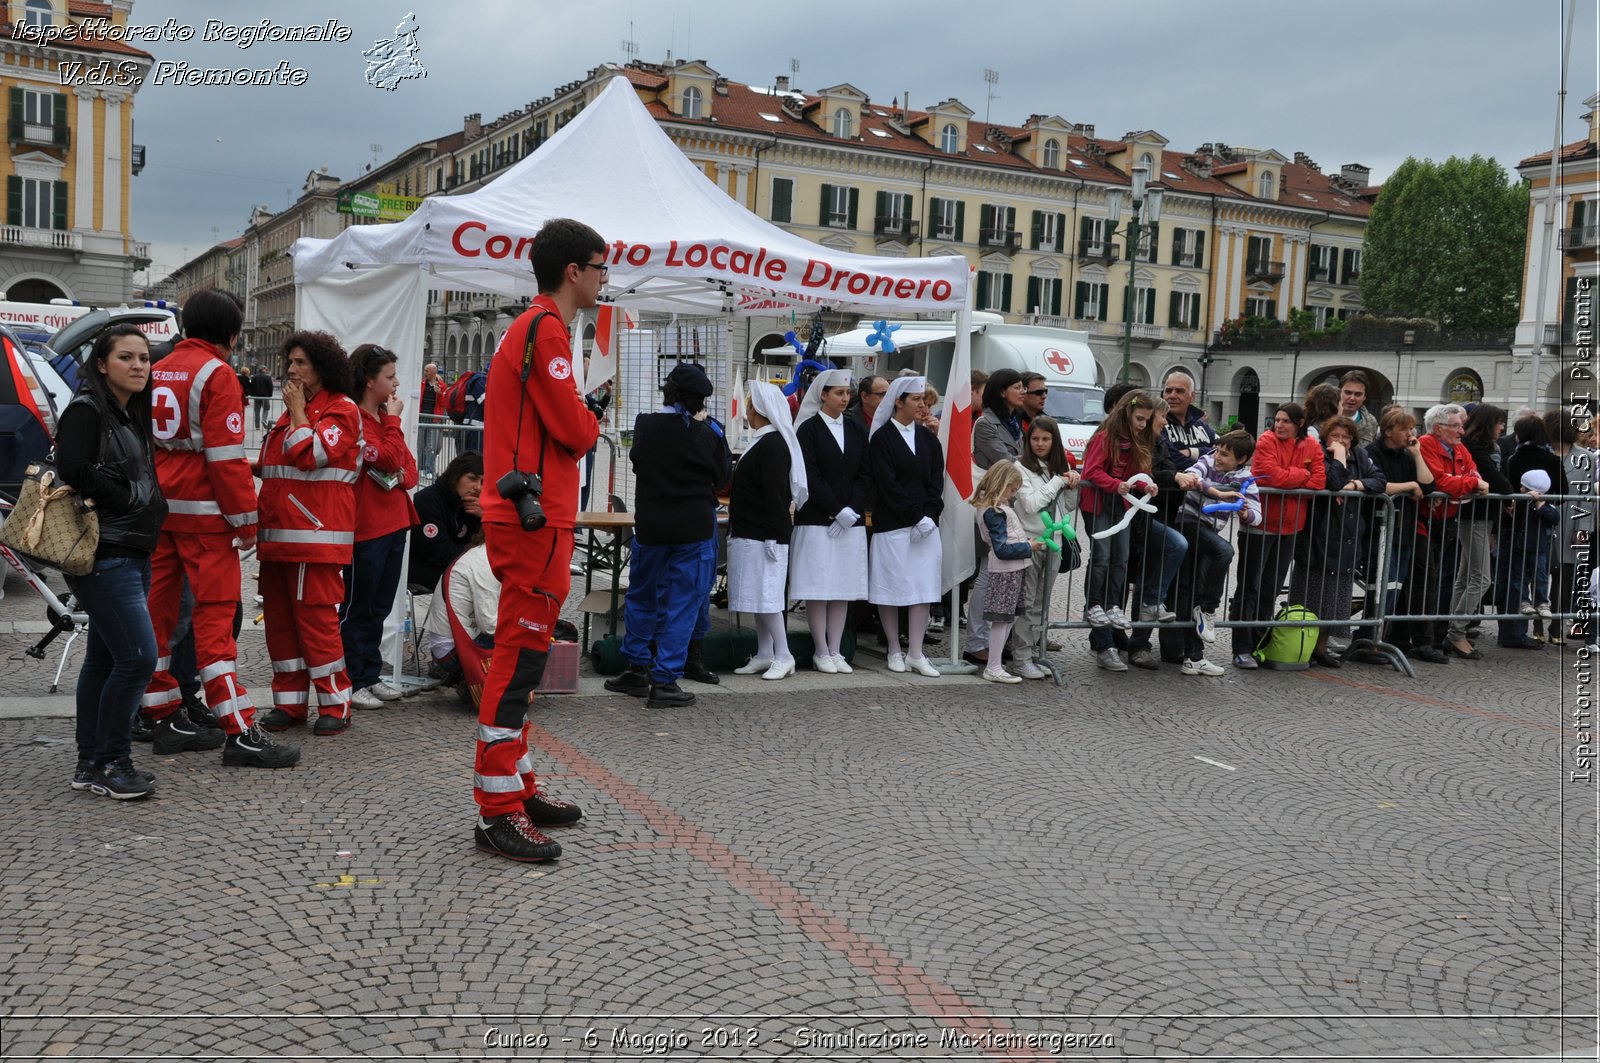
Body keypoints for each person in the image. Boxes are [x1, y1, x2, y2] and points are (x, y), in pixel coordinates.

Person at [470, 218, 603, 862]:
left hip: (528, 512)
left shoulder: (532, 328)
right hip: (534, 516)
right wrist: (591, 419)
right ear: (573, 271)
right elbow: (574, 430)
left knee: (524, 651)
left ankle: (516, 788)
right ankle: (497, 808)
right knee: (520, 656)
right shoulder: (545, 329)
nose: (606, 279)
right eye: (601, 266)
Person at [142, 290, 295, 768]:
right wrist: (247, 520)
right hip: (205, 516)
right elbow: (224, 457)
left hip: (160, 507)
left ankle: (162, 713)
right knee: (215, 619)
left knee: (157, 615)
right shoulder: (218, 373)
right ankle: (239, 729)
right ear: (232, 334)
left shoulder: (160, 364)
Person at [56, 325, 167, 798]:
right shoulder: (87, 409)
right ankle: (113, 761)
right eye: (126, 357)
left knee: (104, 659)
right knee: (138, 657)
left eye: (144, 357)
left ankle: (90, 763)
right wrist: (127, 501)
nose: (139, 365)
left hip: (131, 552)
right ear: (102, 364)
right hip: (105, 554)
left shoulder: (126, 412)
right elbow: (74, 470)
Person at [604, 363, 731, 707]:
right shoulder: (710, 432)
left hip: (652, 523)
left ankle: (636, 668)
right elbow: (722, 475)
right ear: (702, 399)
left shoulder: (646, 424)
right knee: (683, 604)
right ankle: (665, 680)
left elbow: (637, 461)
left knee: (642, 596)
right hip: (693, 526)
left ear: (666, 392)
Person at [255, 331, 362, 738]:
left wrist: (299, 411)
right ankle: (290, 705)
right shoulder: (290, 412)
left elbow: (312, 454)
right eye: (290, 362)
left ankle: (336, 703)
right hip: (281, 538)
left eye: (301, 363)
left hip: (316, 539)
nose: (292, 371)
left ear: (322, 366)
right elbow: (277, 468)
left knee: (317, 626)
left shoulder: (342, 409)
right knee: (280, 627)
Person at [341, 344, 420, 710]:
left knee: (380, 607)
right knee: (359, 606)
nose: (395, 384)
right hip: (366, 527)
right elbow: (388, 458)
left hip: (394, 522)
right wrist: (394, 421)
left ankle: (370, 674)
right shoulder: (355, 418)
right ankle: (352, 678)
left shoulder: (383, 423)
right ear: (370, 381)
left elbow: (409, 470)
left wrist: (396, 465)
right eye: (389, 377)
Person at [1231, 402, 1326, 669]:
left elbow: (1319, 481)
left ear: (1300, 424)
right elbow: (1266, 476)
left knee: (1270, 589)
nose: (1279, 425)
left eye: (1286, 421)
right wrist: (1301, 474)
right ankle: (1241, 647)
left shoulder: (1311, 445)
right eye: (1277, 419)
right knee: (1250, 588)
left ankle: (1260, 644)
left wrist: (1292, 477)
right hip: (1260, 525)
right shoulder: (1266, 441)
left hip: (1291, 527)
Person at [1289, 415, 1386, 668]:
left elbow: (1379, 481)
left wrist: (1355, 484)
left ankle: (1321, 649)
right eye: (1336, 436)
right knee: (1311, 595)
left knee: (1335, 600)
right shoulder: (1318, 452)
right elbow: (1333, 482)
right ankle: (1302, 647)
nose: (1341, 441)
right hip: (1318, 535)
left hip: (1347, 537)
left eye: (1346, 437)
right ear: (1325, 437)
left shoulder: (1361, 456)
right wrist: (1340, 458)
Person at [789, 369, 869, 674]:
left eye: (847, 393)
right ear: (823, 394)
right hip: (817, 519)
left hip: (850, 521)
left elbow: (865, 473)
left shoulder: (856, 429)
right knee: (818, 586)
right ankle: (820, 649)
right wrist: (836, 509)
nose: (844, 398)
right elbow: (811, 475)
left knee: (842, 587)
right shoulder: (808, 430)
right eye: (838, 393)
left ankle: (836, 648)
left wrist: (852, 510)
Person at [728, 380, 807, 681]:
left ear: (755, 409)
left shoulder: (772, 444)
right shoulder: (762, 440)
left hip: (765, 534)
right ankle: (764, 652)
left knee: (768, 597)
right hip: (753, 532)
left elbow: (776, 494)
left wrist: (774, 535)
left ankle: (783, 653)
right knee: (756, 597)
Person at [867, 375, 944, 677]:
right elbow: (888, 484)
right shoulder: (883, 438)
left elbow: (936, 480)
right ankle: (893, 648)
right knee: (891, 588)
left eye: (923, 399)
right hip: (894, 524)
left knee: (922, 588)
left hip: (925, 526)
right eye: (916, 399)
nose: (922, 405)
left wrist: (930, 515)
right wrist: (915, 516)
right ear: (898, 402)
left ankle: (916, 651)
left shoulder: (927, 438)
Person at [1401, 403, 1490, 661]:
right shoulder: (1427, 444)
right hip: (1422, 520)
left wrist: (1468, 482)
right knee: (1423, 582)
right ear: (1439, 429)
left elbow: (1473, 473)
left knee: (1434, 582)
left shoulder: (1459, 448)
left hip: (1446, 521)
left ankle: (1424, 637)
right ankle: (1419, 641)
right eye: (1456, 426)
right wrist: (1470, 484)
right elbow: (1440, 481)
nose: (1462, 431)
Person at [1079, 390, 1159, 672]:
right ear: (1127, 413)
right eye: (1139, 419)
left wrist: (1145, 484)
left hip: (1121, 506)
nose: (1142, 424)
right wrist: (1116, 484)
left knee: (1122, 558)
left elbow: (1135, 474)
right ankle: (1096, 605)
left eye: (1146, 421)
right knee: (1101, 557)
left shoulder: (1136, 441)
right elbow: (1091, 471)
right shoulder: (1104, 437)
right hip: (1099, 505)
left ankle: (1114, 605)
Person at [1172, 428, 1261, 674]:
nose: (1218, 458)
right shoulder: (1206, 461)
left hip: (1209, 533)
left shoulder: (1245, 478)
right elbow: (1192, 476)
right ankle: (1209, 609)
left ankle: (1193, 657)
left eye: (1225, 455)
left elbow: (1257, 514)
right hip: (1188, 524)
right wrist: (1216, 491)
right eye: (1219, 451)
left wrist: (1246, 513)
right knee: (1225, 551)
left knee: (1195, 591)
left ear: (1241, 460)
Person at [964, 369, 1028, 663]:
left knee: (999, 573)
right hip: (990, 505)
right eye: (1017, 386)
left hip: (1009, 504)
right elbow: (1010, 462)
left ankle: (994, 638)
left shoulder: (1014, 422)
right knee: (987, 572)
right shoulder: (986, 423)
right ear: (1002, 391)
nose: (1023, 391)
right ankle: (976, 640)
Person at [1011, 415, 1080, 679]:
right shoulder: (1020, 467)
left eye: (1046, 439)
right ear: (1028, 441)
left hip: (1055, 542)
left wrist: (1071, 483)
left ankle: (1037, 655)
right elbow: (1031, 504)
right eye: (1035, 439)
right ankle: (1021, 658)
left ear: (1055, 441)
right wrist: (1059, 481)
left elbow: (1067, 506)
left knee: (1042, 602)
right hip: (1030, 541)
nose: (1040, 444)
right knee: (1027, 603)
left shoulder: (1055, 468)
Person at [1362, 408, 1432, 660]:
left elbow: (1428, 484)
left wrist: (1417, 454)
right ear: (1389, 431)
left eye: (1412, 429)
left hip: (1404, 530)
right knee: (1381, 588)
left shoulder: (1407, 455)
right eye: (1405, 429)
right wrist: (1409, 486)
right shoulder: (1372, 453)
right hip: (1379, 530)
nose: (1411, 434)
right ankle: (1367, 639)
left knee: (1395, 587)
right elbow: (1378, 485)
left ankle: (1380, 639)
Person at [1447, 403, 1510, 658]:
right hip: (1473, 517)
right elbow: (1497, 481)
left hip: (1481, 518)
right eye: (1499, 423)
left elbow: (1498, 480)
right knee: (1481, 578)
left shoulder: (1483, 448)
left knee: (1466, 577)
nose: (1502, 428)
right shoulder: (1474, 448)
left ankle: (1453, 628)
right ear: (1488, 425)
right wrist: (1510, 494)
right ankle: (1456, 632)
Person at [969, 463, 1039, 683]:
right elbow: (1001, 549)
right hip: (1005, 571)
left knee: (1007, 618)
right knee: (1002, 619)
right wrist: (1028, 547)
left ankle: (995, 664)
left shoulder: (997, 508)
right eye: (1012, 490)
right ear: (1002, 485)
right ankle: (993, 666)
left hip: (1013, 569)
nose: (1014, 494)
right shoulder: (994, 511)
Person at [1548, 409, 1596, 643]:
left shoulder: (1587, 457)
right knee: (1537, 574)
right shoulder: (1543, 452)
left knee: (1563, 576)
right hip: (1543, 519)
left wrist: (1583, 527)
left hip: (1571, 521)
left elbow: (1587, 496)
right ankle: (1536, 625)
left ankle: (1556, 626)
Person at [410, 451, 483, 592]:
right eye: (472, 478)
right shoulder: (428, 501)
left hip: (457, 567)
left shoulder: (473, 506)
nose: (478, 487)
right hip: (422, 570)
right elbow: (438, 553)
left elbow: (482, 545)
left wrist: (485, 517)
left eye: (482, 482)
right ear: (456, 476)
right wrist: (471, 555)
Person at [1159, 370, 1217, 469]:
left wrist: (1191, 452)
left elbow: (1224, 451)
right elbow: (1170, 459)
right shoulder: (1158, 425)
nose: (1172, 396)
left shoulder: (1202, 425)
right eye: (1168, 391)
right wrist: (1208, 465)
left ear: (1192, 397)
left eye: (1179, 391)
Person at [417, 361, 447, 478]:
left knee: (432, 446)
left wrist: (440, 394)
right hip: (421, 417)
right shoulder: (421, 383)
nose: (425, 373)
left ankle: (429, 470)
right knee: (420, 445)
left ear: (434, 372)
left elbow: (444, 403)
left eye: (427, 371)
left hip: (434, 419)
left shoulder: (442, 386)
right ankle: (421, 467)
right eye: (424, 370)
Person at [1338, 370, 1378, 447]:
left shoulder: (1371, 423)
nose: (1352, 398)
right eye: (1348, 393)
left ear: (1364, 397)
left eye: (1358, 394)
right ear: (1339, 392)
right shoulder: (1326, 418)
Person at [248, 363, 274, 432]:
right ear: (263, 370)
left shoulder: (254, 377)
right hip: (265, 396)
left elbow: (251, 386)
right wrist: (270, 395)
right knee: (266, 409)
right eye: (265, 369)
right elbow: (270, 387)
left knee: (257, 411)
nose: (266, 370)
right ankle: (264, 420)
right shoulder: (268, 377)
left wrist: (252, 394)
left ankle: (257, 426)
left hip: (257, 396)